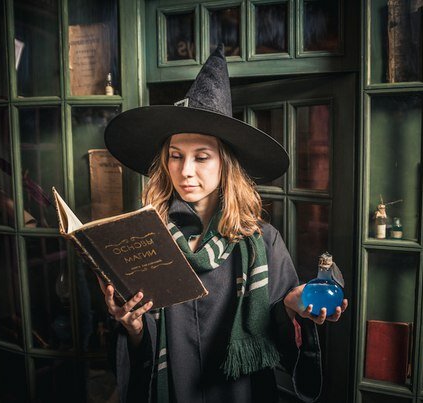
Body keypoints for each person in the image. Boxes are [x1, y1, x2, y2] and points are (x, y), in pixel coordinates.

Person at [102, 44, 348, 403]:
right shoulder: (147, 241)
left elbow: (277, 336)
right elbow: (141, 349)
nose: (185, 171)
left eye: (201, 157)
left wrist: (291, 307)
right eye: (175, 156)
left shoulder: (263, 241)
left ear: (225, 163)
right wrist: (133, 326)